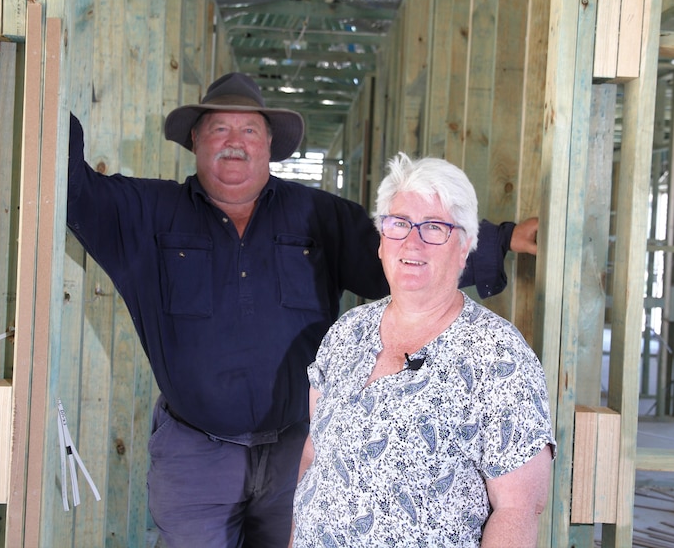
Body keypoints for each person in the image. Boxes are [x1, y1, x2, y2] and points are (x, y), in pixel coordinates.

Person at [65, 72, 538, 548]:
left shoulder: (318, 215)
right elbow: (72, 187)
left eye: (249, 130)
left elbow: (407, 245)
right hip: (196, 452)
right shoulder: (146, 214)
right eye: (218, 129)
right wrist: (45, 75)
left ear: (269, 142)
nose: (235, 142)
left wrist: (504, 239)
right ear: (195, 139)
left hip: (298, 449)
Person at [292, 153, 555, 547]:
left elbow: (519, 508)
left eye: (434, 227)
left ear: (465, 246)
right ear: (381, 241)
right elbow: (315, 455)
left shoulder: (497, 355)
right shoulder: (347, 332)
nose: (411, 241)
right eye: (398, 224)